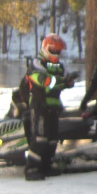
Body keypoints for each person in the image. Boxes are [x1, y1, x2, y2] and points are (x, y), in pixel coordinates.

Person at [22, 33, 76, 181]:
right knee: (39, 138)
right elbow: (44, 80)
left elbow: (59, 84)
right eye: (54, 50)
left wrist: (68, 82)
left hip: (54, 105)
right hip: (39, 105)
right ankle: (31, 168)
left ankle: (46, 166)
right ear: (46, 48)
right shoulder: (37, 63)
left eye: (58, 51)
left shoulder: (59, 66)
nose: (56, 54)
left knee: (52, 139)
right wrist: (61, 81)